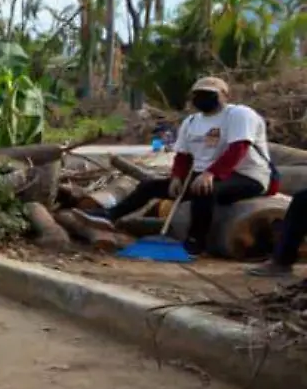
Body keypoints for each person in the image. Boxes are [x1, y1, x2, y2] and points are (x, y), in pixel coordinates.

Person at [81, 76, 273, 255]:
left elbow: (238, 149)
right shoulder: (191, 122)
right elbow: (183, 155)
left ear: (225, 95)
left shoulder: (239, 114)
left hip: (248, 176)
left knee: (203, 191)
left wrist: (211, 174)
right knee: (150, 186)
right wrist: (177, 176)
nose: (202, 98)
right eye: (198, 95)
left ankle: (196, 241)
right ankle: (110, 215)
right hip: (204, 175)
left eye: (209, 94)